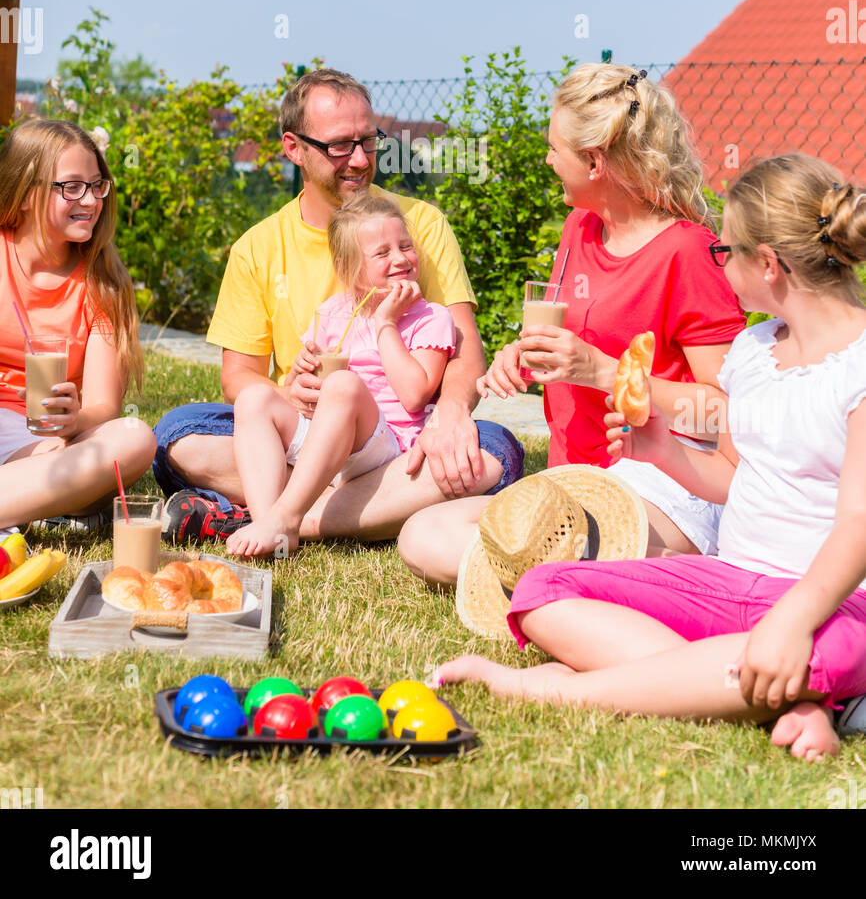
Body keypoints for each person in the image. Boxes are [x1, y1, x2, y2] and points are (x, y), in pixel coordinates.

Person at [434, 155, 866, 763]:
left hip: (835, 604)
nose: (721, 263)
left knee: (832, 646)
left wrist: (791, 625)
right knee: (543, 590)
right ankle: (783, 692)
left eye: (727, 252)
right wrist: (662, 452)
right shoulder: (754, 350)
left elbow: (857, 524)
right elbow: (736, 481)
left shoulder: (859, 365)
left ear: (767, 265)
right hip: (733, 584)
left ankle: (561, 691)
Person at [398, 63, 744, 585]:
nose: (547, 159)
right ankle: (617, 578)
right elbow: (572, 339)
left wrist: (608, 373)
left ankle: (645, 575)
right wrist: (524, 354)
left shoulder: (686, 251)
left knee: (520, 548)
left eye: (554, 149)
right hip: (576, 474)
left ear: (594, 161)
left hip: (666, 482)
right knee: (424, 536)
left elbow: (727, 411)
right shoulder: (579, 226)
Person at [156, 69, 523, 544]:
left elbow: (466, 350)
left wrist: (452, 411)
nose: (359, 160)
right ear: (294, 148)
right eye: (339, 146)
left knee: (493, 448)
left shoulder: (419, 225)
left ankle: (280, 518)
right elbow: (238, 378)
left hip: (397, 440)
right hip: (306, 432)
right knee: (177, 433)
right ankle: (352, 508)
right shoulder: (258, 246)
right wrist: (290, 393)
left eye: (369, 142)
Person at [227, 194, 456, 557]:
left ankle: (287, 516)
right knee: (253, 398)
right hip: (328, 441)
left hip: (387, 445)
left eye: (405, 246)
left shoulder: (431, 317)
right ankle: (268, 521)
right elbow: (303, 389)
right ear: (348, 267)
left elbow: (415, 394)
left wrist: (386, 324)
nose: (400, 258)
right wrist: (298, 377)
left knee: (345, 384)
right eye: (382, 253)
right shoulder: (334, 313)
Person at [0, 118, 155, 531]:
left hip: (43, 443)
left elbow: (104, 405)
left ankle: (20, 502)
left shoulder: (103, 282)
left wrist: (75, 420)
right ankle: (33, 503)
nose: (90, 200)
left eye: (96, 184)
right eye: (71, 186)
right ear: (27, 192)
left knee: (135, 439)